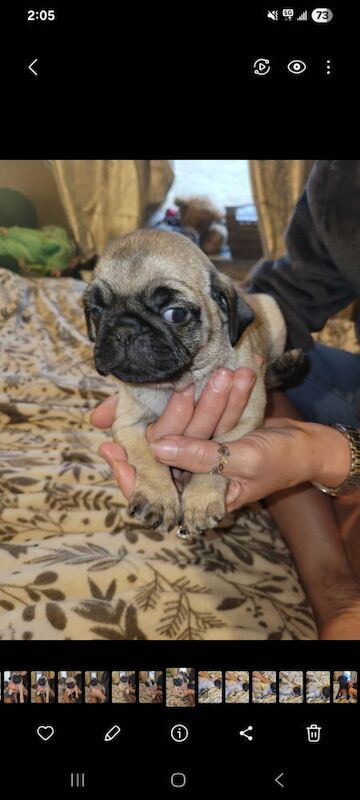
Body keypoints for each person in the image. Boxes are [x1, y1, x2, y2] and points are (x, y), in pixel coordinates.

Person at [91, 160, 360, 640]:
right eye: (101, 308)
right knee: (269, 388)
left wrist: (318, 454)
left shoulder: (231, 317)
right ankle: (333, 583)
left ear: (220, 308)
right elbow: (294, 291)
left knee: (263, 418)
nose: (127, 336)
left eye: (174, 311)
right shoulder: (341, 175)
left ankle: (332, 586)